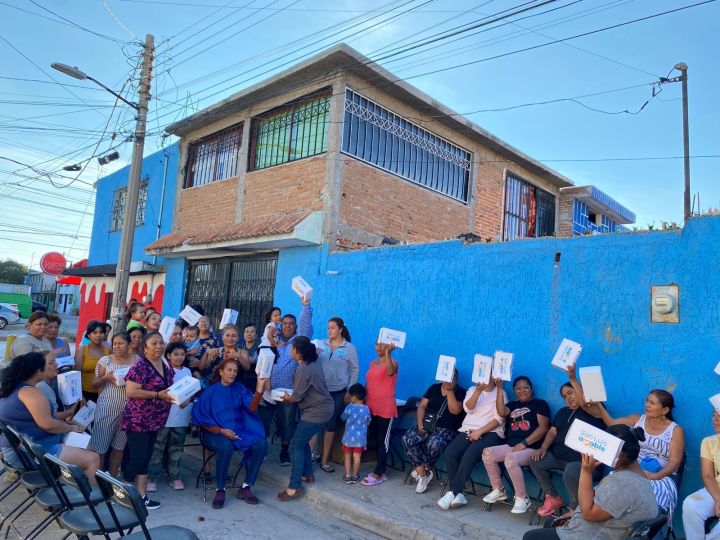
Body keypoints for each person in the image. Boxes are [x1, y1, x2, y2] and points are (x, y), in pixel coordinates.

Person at [522, 425, 659, 540]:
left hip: (589, 535)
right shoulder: (641, 479)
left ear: (620, 455)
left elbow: (588, 514)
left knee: (530, 537)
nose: (598, 452)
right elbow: (600, 503)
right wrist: (574, 515)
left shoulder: (622, 484)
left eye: (603, 449)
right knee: (550, 523)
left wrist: (586, 471)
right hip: (600, 529)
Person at [0, 353, 100, 481]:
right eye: (49, 364)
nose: (56, 365)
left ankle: (76, 483)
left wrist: (67, 425)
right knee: (93, 459)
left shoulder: (14, 387)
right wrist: (70, 428)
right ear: (38, 372)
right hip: (27, 453)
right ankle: (87, 492)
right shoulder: (30, 392)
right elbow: (47, 424)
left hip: (24, 446)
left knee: (85, 444)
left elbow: (42, 420)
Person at [594, 389, 684, 519]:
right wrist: (598, 405)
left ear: (665, 410)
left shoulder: (675, 430)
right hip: (634, 469)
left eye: (652, 403)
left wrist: (655, 476)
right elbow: (612, 424)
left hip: (661, 477)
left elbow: (674, 462)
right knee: (611, 489)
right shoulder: (637, 419)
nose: (647, 405)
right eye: (647, 400)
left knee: (642, 499)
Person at [192, 358, 268, 509]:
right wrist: (221, 430)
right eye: (229, 370)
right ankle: (220, 489)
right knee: (226, 447)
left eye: (235, 371)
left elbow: (251, 408)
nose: (232, 373)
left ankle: (246, 486)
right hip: (214, 433)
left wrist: (259, 389)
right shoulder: (210, 392)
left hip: (238, 431)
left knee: (261, 444)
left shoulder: (239, 389)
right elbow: (201, 419)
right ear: (221, 372)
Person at [530, 369, 606, 517]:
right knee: (535, 460)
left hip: (584, 463)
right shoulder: (562, 412)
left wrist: (572, 377)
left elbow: (586, 404)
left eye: (570, 393)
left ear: (579, 391)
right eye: (564, 396)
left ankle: (575, 509)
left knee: (571, 471)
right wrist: (543, 447)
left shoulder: (595, 408)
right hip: (559, 457)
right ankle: (553, 497)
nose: (568, 398)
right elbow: (552, 432)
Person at [120, 331, 175, 510]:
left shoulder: (165, 365)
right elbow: (131, 391)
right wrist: (158, 395)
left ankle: (141, 495)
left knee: (146, 458)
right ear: (145, 348)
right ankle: (122, 492)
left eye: (161, 342)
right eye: (154, 343)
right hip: (138, 419)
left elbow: (170, 388)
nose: (159, 346)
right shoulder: (140, 366)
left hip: (155, 419)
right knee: (137, 458)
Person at [482, 375, 550, 514]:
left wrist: (524, 443)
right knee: (487, 453)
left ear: (531, 389)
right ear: (514, 391)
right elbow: (501, 412)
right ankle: (499, 490)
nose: (522, 390)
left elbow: (543, 428)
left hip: (532, 448)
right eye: (518, 388)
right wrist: (499, 388)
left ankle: (522, 498)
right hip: (512, 446)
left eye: (525, 387)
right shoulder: (512, 405)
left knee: (510, 458)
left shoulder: (540, 404)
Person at [277, 336, 333, 500]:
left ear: (297, 351)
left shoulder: (303, 369)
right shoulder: (313, 363)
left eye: (292, 348)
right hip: (324, 409)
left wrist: (287, 398)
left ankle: (294, 486)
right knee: (302, 441)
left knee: (295, 445)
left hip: (315, 412)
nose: (290, 350)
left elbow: (297, 397)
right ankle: (308, 474)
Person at [437, 378, 507, 510]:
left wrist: (479, 432)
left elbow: (499, 419)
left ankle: (453, 491)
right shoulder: (472, 389)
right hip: (468, 430)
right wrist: (478, 391)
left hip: (491, 433)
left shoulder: (501, 392)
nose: (487, 377)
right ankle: (458, 493)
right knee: (451, 452)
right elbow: (467, 409)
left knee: (470, 454)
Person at [258, 298, 313, 466]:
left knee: (287, 423)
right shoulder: (273, 339)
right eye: (285, 323)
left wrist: (306, 305)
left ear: (296, 327)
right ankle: (261, 450)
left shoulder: (299, 342)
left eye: (291, 324)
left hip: (287, 392)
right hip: (268, 390)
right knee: (263, 421)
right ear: (280, 325)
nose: (288, 326)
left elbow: (306, 325)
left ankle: (284, 451)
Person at [401, 369, 466, 494]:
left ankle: (424, 469)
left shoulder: (461, 392)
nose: (450, 379)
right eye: (448, 376)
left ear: (456, 379)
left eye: (453, 377)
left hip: (447, 429)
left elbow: (455, 411)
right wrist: (420, 422)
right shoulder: (434, 388)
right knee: (407, 438)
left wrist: (450, 391)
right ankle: (423, 474)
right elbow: (422, 406)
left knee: (434, 443)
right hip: (427, 425)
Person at [314, 317, 359, 474]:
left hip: (338, 392)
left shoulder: (349, 348)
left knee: (330, 425)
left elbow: (354, 369)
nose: (329, 330)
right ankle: (312, 454)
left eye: (333, 327)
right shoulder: (321, 344)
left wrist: (349, 390)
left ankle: (325, 460)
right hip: (320, 390)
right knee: (314, 421)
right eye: (328, 328)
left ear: (340, 329)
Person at [90, 332, 138, 476]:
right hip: (107, 406)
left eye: (120, 343)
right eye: (114, 343)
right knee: (100, 445)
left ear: (129, 344)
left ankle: (111, 478)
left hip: (129, 408)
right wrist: (106, 377)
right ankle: (97, 477)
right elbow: (94, 384)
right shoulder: (106, 361)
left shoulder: (137, 360)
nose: (117, 346)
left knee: (119, 446)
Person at [147, 343, 193, 492]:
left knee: (176, 447)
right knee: (157, 448)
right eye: (176, 354)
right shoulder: (163, 370)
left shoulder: (187, 371)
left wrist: (187, 400)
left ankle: (175, 476)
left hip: (180, 416)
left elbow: (191, 390)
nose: (179, 357)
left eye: (182, 354)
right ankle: (152, 477)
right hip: (163, 415)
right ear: (168, 355)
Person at [361, 341, 398, 487]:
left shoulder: (393, 362)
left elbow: (390, 372)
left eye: (382, 344)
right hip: (371, 407)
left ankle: (379, 472)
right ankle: (381, 470)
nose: (379, 347)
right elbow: (368, 384)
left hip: (385, 408)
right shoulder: (373, 363)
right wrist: (361, 400)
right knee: (375, 439)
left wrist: (388, 353)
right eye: (377, 344)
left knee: (383, 441)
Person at [682, 409, 720, 539]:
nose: (714, 420)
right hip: (716, 489)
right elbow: (707, 475)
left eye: (719, 416)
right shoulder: (709, 442)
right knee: (691, 505)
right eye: (713, 415)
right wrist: (718, 498)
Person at [341, 383, 371, 483]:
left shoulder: (349, 407)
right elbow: (368, 422)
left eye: (350, 396)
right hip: (360, 440)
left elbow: (343, 418)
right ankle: (355, 476)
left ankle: (347, 476)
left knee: (347, 456)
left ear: (354, 397)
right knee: (357, 457)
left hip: (348, 439)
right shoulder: (366, 409)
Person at [74, 321, 111, 403]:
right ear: (89, 335)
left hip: (104, 393)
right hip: (85, 393)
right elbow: (76, 375)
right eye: (95, 332)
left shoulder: (108, 351)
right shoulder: (82, 351)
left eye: (101, 332)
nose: (98, 335)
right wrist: (80, 396)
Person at [237, 323, 259, 392]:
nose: (249, 334)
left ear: (256, 335)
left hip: (253, 381)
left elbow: (254, 360)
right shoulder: (239, 346)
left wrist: (238, 356)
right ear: (243, 334)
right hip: (239, 380)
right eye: (247, 331)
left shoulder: (259, 348)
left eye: (252, 332)